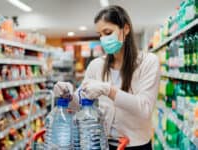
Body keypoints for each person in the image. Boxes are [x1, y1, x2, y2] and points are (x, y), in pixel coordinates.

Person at [54, 5, 160, 150]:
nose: (103, 39)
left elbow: (145, 108)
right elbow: (80, 102)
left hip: (136, 145)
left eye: (108, 32)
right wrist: (68, 95)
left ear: (126, 29)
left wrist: (109, 90)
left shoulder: (148, 62)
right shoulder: (96, 65)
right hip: (101, 143)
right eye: (100, 35)